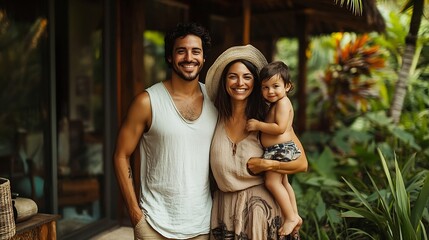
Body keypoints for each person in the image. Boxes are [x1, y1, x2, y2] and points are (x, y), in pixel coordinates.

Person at [113, 22, 218, 240]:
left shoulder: (216, 101)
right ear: (170, 57)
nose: (189, 57)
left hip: (202, 224)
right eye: (181, 51)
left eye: (195, 51)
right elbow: (121, 155)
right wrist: (135, 215)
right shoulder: (147, 102)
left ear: (204, 58)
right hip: (154, 223)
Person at [205, 45, 308, 240]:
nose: (239, 82)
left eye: (247, 77)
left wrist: (266, 164)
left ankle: (292, 217)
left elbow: (302, 164)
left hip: (262, 212)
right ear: (224, 81)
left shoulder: (268, 117)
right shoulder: (214, 117)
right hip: (224, 210)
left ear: (255, 82)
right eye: (232, 76)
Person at [246, 61, 303, 237]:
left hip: (281, 149)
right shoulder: (276, 104)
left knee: (272, 182)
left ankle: (291, 217)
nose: (270, 91)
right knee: (284, 183)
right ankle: (295, 214)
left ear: (287, 86)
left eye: (275, 86)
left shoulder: (283, 103)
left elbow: (279, 128)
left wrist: (258, 125)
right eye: (265, 87)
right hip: (278, 149)